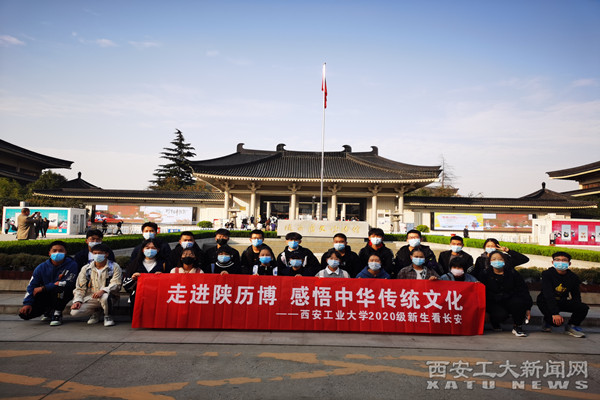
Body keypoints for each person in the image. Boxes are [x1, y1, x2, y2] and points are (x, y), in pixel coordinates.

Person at [18, 241, 78, 326]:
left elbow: (68, 282)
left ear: (65, 252)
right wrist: (27, 303)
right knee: (25, 315)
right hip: (46, 295)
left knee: (60, 287)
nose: (57, 253)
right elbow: (32, 286)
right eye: (54, 250)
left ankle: (57, 313)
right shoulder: (41, 267)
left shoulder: (72, 265)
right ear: (49, 253)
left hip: (63, 293)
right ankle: (48, 311)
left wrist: (44, 287)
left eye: (61, 251)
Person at [479, 250, 532, 337]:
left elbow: (523, 290)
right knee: (500, 314)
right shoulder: (484, 274)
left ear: (504, 261)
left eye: (500, 259)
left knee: (519, 302)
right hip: (493, 301)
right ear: (490, 261)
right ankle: (494, 322)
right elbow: (481, 292)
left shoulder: (512, 273)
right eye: (494, 259)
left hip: (510, 299)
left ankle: (517, 327)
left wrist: (528, 308)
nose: (497, 261)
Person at [537, 251, 589, 338]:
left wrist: (577, 307)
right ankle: (547, 320)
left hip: (562, 301)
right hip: (545, 301)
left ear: (569, 263)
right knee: (556, 323)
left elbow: (576, 295)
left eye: (564, 260)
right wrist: (555, 313)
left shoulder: (573, 277)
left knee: (583, 308)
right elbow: (548, 294)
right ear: (553, 262)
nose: (560, 262)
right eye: (557, 260)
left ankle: (572, 326)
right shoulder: (547, 274)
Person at [70, 244, 122, 327]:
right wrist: (77, 301)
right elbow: (80, 287)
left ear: (106, 254)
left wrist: (103, 290)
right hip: (91, 297)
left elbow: (116, 283)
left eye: (100, 253)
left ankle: (107, 316)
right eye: (95, 253)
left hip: (109, 296)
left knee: (105, 296)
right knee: (75, 312)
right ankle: (96, 311)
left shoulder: (114, 267)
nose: (97, 255)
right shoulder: (86, 268)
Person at [123, 238, 168, 318]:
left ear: (158, 250)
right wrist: (133, 279)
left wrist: (163, 277)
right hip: (139, 296)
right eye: (147, 248)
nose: (150, 250)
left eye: (153, 248)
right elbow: (126, 285)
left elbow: (170, 282)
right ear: (143, 250)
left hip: (157, 297)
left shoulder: (164, 264)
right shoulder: (135, 264)